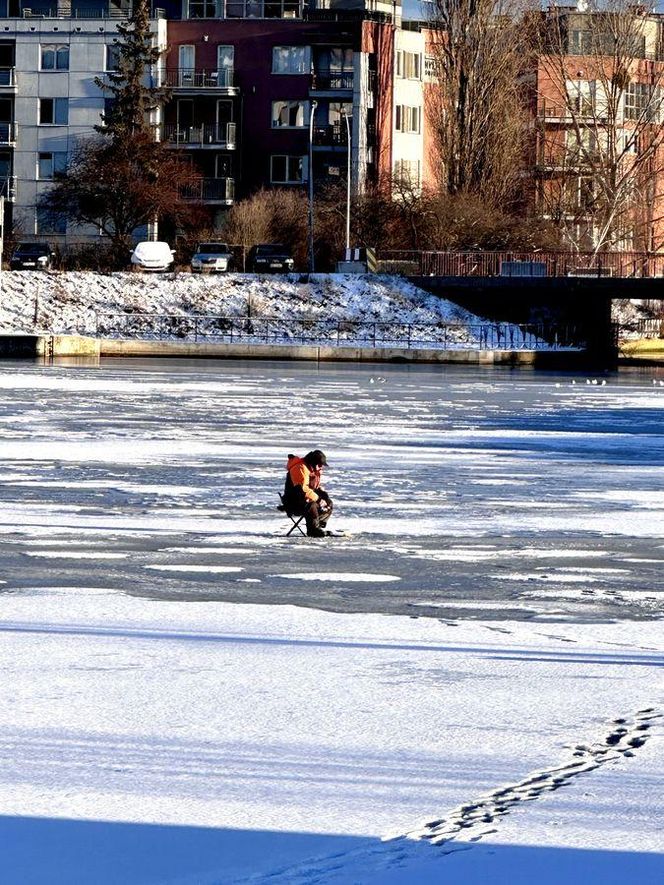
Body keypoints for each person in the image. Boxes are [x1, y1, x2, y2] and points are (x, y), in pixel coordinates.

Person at [283, 450, 333, 538]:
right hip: (294, 501)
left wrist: (323, 496)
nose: (321, 467)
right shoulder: (300, 468)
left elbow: (314, 487)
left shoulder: (313, 470)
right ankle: (313, 530)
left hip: (306, 499)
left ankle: (318, 526)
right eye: (320, 464)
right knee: (312, 505)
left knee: (328, 503)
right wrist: (319, 499)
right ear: (313, 462)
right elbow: (303, 490)